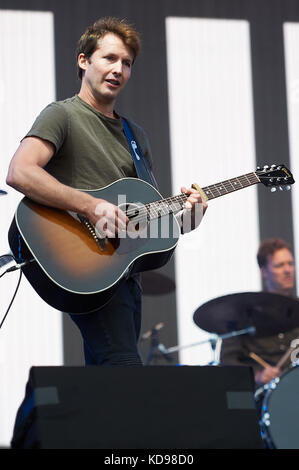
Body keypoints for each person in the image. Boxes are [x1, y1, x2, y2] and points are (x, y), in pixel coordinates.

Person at [6, 17, 207, 367]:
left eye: (126, 63)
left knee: (107, 386)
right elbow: (20, 171)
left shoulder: (136, 136)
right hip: (86, 260)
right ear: (84, 61)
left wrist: (188, 220)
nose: (118, 69)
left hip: (123, 275)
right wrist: (89, 206)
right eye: (109, 58)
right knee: (125, 372)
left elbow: (145, 222)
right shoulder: (62, 115)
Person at [220, 238, 299, 386]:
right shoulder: (245, 314)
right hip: (260, 395)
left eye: (291, 264)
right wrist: (256, 376)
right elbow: (228, 361)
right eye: (279, 265)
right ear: (264, 272)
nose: (288, 270)